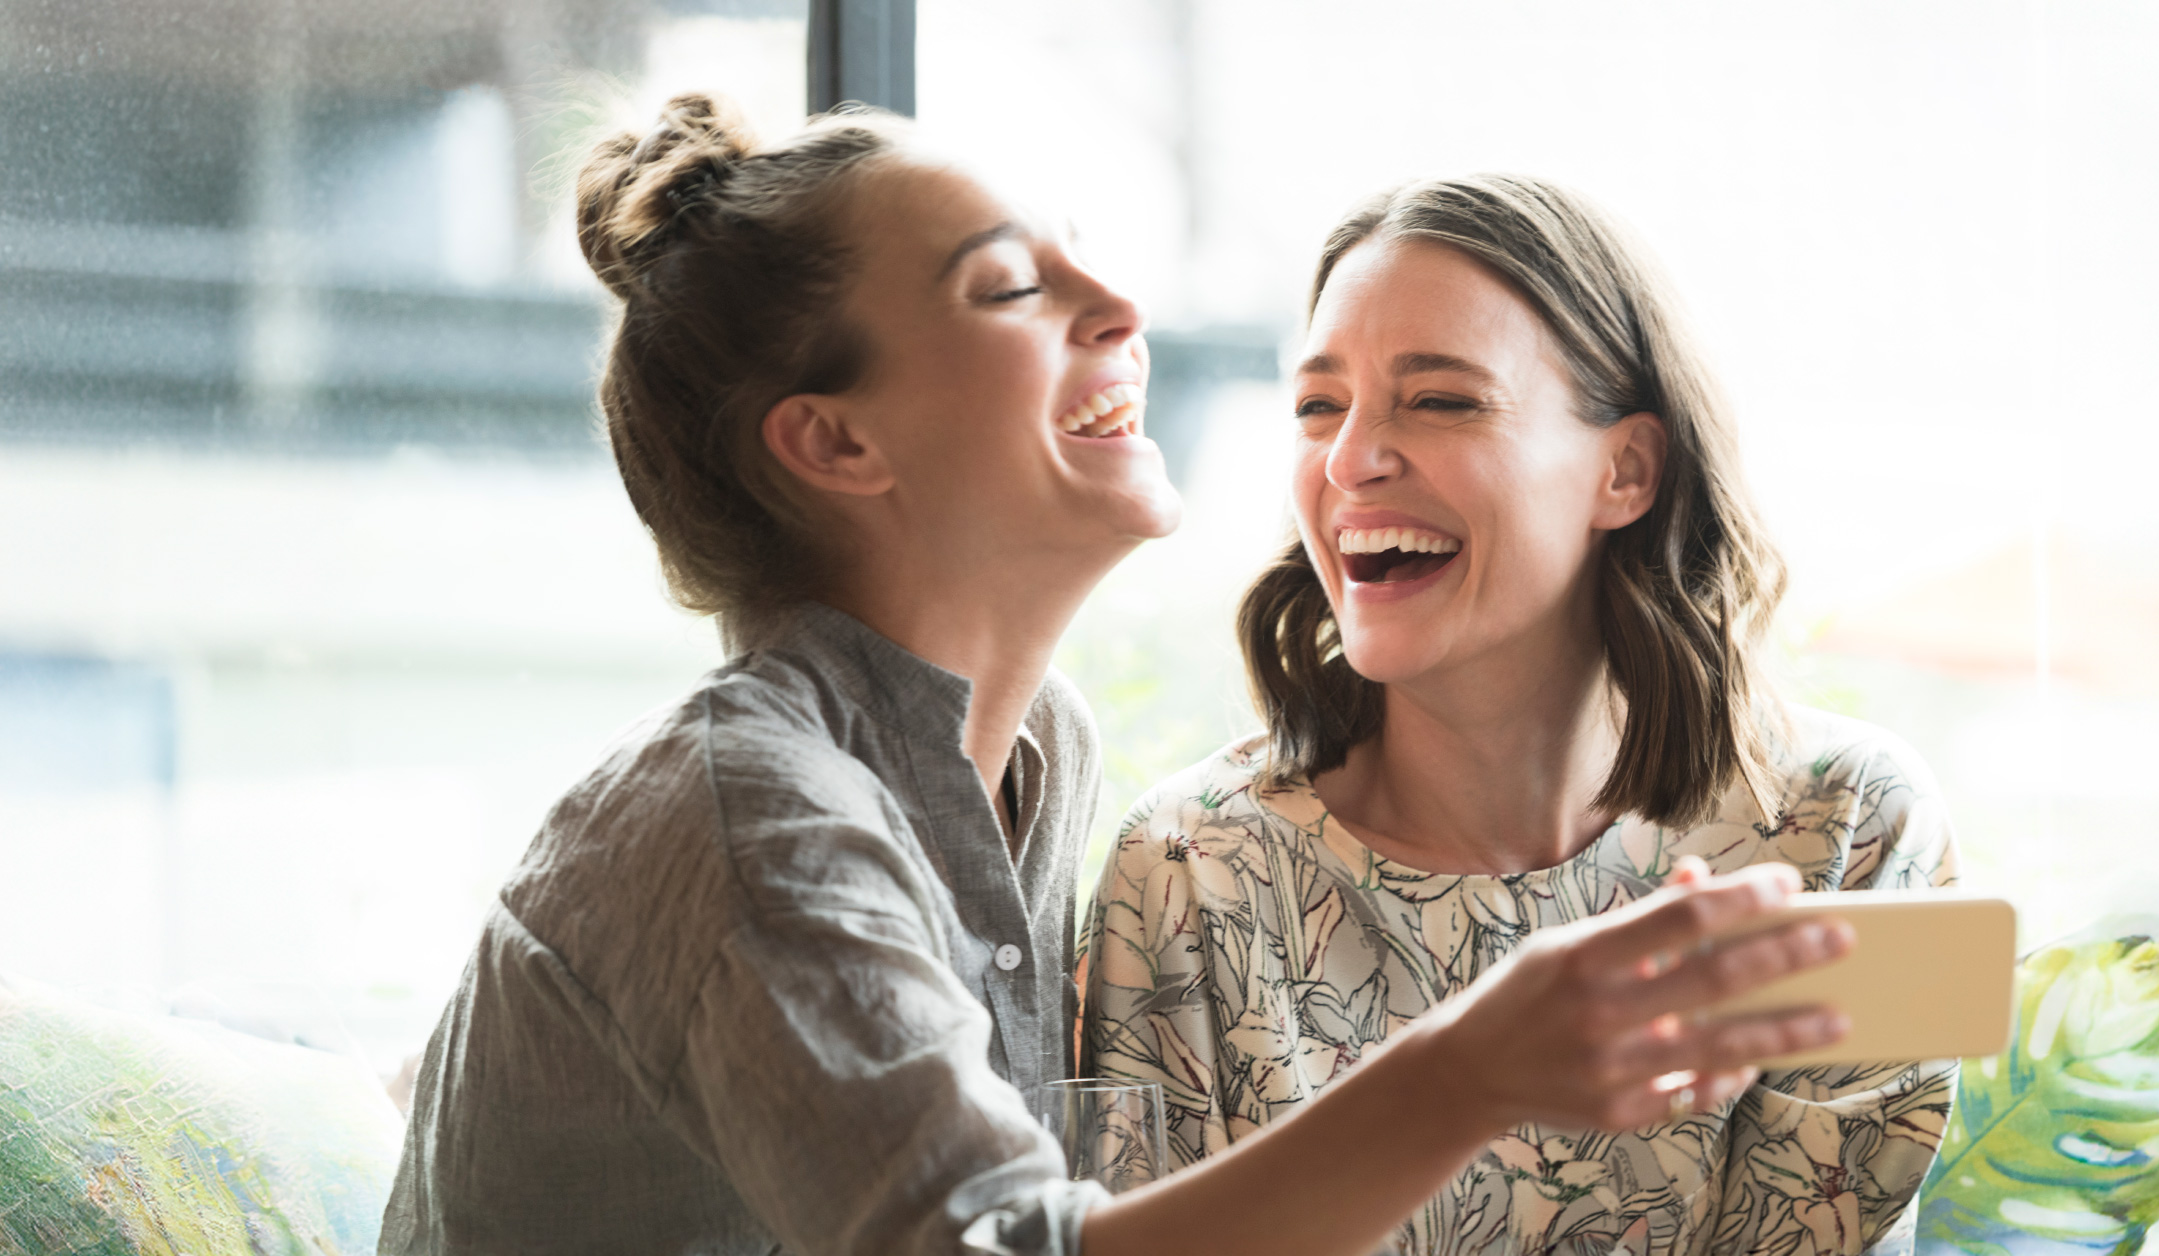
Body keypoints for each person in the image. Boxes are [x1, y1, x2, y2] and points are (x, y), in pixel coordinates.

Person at [383, 97, 1857, 1256]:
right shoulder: (753, 816)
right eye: (1016, 286)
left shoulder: (1035, 759)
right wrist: (1463, 1075)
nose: (1118, 305)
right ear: (838, 444)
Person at [1081, 174, 1961, 1256]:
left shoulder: (1859, 830)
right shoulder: (1180, 866)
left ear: (1626, 468)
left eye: (1441, 399)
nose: (1350, 457)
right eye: (1319, 405)